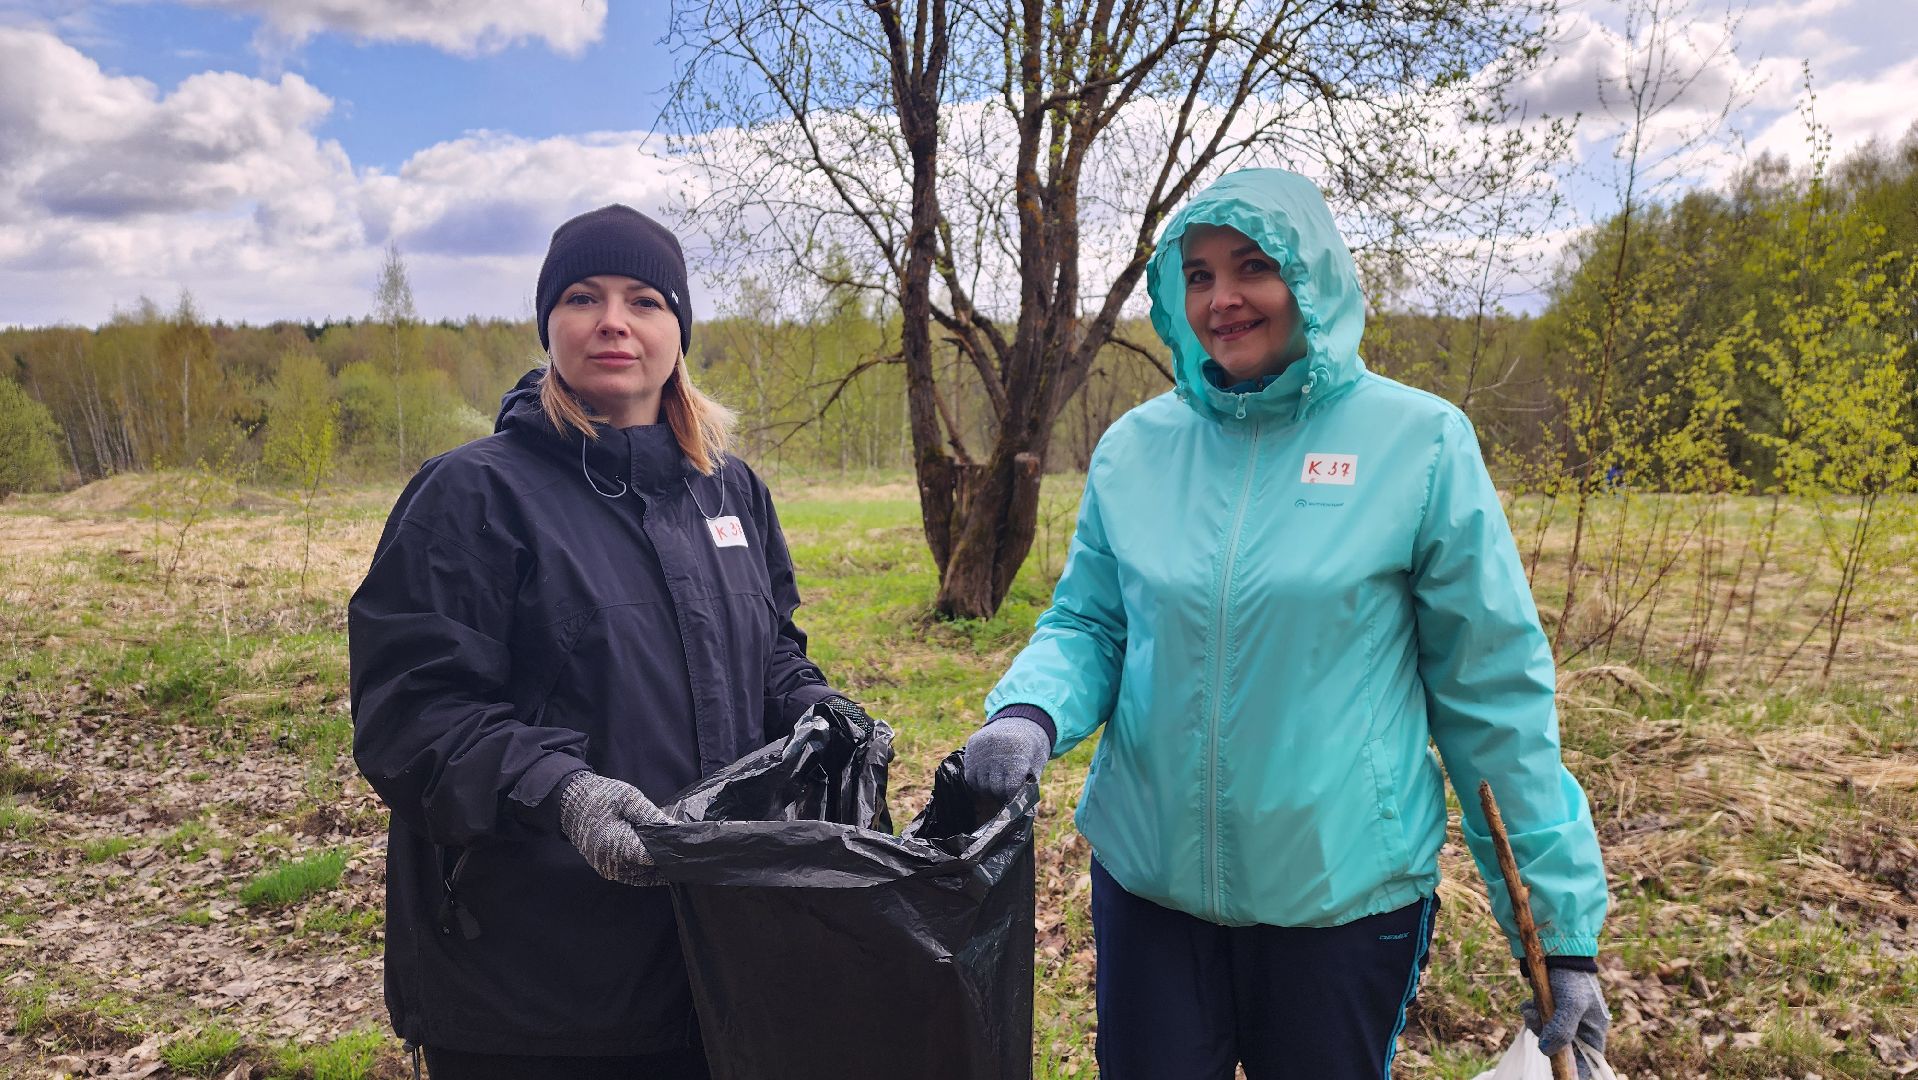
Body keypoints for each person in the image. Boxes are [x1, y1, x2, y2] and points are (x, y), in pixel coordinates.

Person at [964, 169, 1612, 1078]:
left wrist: (1560, 930)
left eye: (1252, 267)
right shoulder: (1137, 450)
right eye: (1197, 275)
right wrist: (1028, 712)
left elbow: (1491, 694)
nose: (1222, 299)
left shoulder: (1419, 444)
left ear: (1311, 276)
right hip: (1151, 893)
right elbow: (1091, 624)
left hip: (1340, 905)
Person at [349, 204, 869, 1079]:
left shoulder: (730, 492)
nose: (614, 322)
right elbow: (413, 716)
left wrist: (821, 710)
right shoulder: (472, 496)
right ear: (550, 321)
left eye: (645, 300)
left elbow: (770, 651)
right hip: (536, 985)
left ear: (679, 328)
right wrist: (565, 792)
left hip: (717, 961)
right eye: (584, 297)